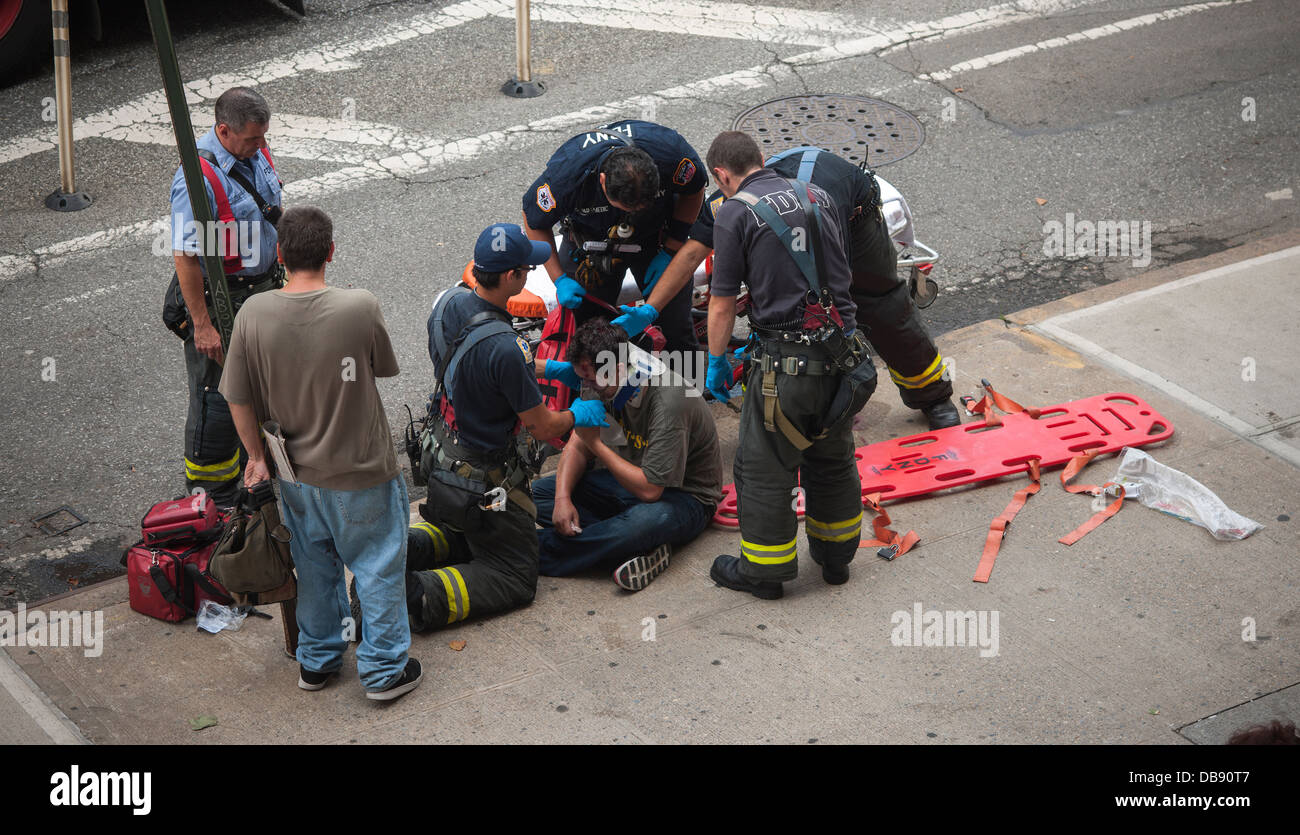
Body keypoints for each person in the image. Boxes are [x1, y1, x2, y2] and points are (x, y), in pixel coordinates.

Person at [219, 205, 421, 702]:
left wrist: (256, 457)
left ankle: (318, 658)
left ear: (280, 256)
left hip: (295, 477)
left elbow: (236, 397)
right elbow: (383, 368)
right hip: (362, 472)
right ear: (331, 251)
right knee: (376, 566)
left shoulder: (253, 313)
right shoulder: (359, 306)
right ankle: (382, 672)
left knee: (313, 567)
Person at [615, 145, 960, 429]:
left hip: (852, 222)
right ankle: (823, 401)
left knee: (879, 309)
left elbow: (829, 286)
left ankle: (932, 396)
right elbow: (690, 257)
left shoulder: (817, 201)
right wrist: (650, 308)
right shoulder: (726, 204)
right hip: (802, 234)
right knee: (780, 318)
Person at [405, 223, 611, 632]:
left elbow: (481, 363)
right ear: (511, 277)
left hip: (443, 460)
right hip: (485, 484)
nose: (531, 274)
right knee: (515, 574)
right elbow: (541, 425)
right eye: (526, 269)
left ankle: (396, 556)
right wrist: (579, 415)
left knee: (462, 531)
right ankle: (418, 592)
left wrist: (546, 368)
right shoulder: (505, 345)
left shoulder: (448, 303)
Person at [701, 131, 871, 599]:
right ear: (762, 159)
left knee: (762, 468)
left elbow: (719, 305)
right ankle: (836, 561)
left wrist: (717, 362)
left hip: (787, 367)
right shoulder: (816, 194)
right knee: (832, 459)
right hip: (844, 358)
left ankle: (765, 573)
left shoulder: (735, 211)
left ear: (722, 175)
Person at [531, 318, 724, 591]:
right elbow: (577, 445)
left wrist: (596, 445)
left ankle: (531, 553)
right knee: (538, 495)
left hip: (684, 496)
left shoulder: (668, 398)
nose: (586, 386)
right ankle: (627, 545)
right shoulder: (601, 372)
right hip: (626, 482)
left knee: (644, 522)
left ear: (619, 370)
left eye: (589, 381)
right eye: (582, 379)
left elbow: (650, 491)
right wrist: (563, 500)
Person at [171, 86, 285, 506]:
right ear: (223, 130)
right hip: (225, 301)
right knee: (217, 394)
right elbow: (185, 258)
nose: (260, 146)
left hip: (263, 289)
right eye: (252, 139)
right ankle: (213, 492)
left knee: (260, 384)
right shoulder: (196, 179)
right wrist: (203, 324)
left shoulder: (253, 152)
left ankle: (258, 465)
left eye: (263, 137)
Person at [522, 119, 706, 352]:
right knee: (590, 334)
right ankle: (603, 383)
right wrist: (559, 280)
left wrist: (672, 248)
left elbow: (694, 190)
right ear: (603, 180)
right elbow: (534, 221)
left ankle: (688, 386)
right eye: (626, 206)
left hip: (656, 238)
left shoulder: (670, 154)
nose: (631, 212)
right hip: (589, 244)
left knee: (676, 328)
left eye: (640, 206)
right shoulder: (567, 175)